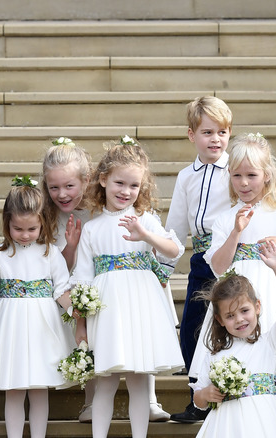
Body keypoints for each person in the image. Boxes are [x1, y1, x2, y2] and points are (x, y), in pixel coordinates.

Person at [41, 136, 172, 423]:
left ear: (88, 181)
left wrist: (157, 272)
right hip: (77, 285)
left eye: (70, 187)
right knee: (81, 308)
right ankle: (91, 398)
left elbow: (151, 244)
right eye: (55, 188)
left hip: (124, 281)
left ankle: (148, 397)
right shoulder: (49, 217)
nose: (62, 194)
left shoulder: (102, 207)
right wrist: (71, 247)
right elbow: (59, 272)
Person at [71, 142, 184, 438]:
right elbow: (82, 279)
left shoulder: (145, 220)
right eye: (120, 183)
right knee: (105, 383)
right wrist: (80, 324)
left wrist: (146, 234)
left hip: (141, 307)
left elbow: (173, 250)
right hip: (108, 310)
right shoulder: (93, 229)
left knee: (138, 380)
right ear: (104, 179)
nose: (126, 191)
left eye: (134, 185)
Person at [189, 132, 276, 379]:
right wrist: (236, 231)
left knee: (267, 357)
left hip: (269, 292)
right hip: (235, 296)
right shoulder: (225, 219)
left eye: (251, 175)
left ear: (266, 176)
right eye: (237, 175)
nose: (244, 183)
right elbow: (219, 268)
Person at [0, 180, 76, 438]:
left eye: (32, 228)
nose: (25, 234)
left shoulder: (50, 253)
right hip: (10, 327)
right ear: (7, 224)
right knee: (14, 388)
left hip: (43, 327)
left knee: (39, 388)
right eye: (18, 228)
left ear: (43, 224)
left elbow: (61, 291)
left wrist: (79, 313)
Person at [163, 95, 233, 423]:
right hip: (200, 261)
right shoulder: (185, 177)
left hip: (231, 257)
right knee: (192, 325)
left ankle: (229, 392)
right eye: (207, 132)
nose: (215, 139)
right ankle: (198, 398)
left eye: (222, 132)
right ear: (192, 135)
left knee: (227, 325)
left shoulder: (236, 170)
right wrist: (161, 268)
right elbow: (175, 226)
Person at [192, 241, 276, 438]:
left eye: (244, 311)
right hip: (227, 426)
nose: (239, 319)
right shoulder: (215, 355)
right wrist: (205, 394)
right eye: (230, 316)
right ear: (220, 320)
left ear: (257, 307)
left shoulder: (269, 343)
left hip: (265, 422)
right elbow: (198, 400)